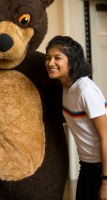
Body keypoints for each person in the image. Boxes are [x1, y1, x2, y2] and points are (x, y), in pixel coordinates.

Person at [45, 35, 107, 200]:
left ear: (71, 62)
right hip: (87, 165)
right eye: (48, 58)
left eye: (57, 58)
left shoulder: (85, 90)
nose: (51, 63)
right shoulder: (66, 87)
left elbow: (105, 136)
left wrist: (106, 182)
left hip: (102, 167)